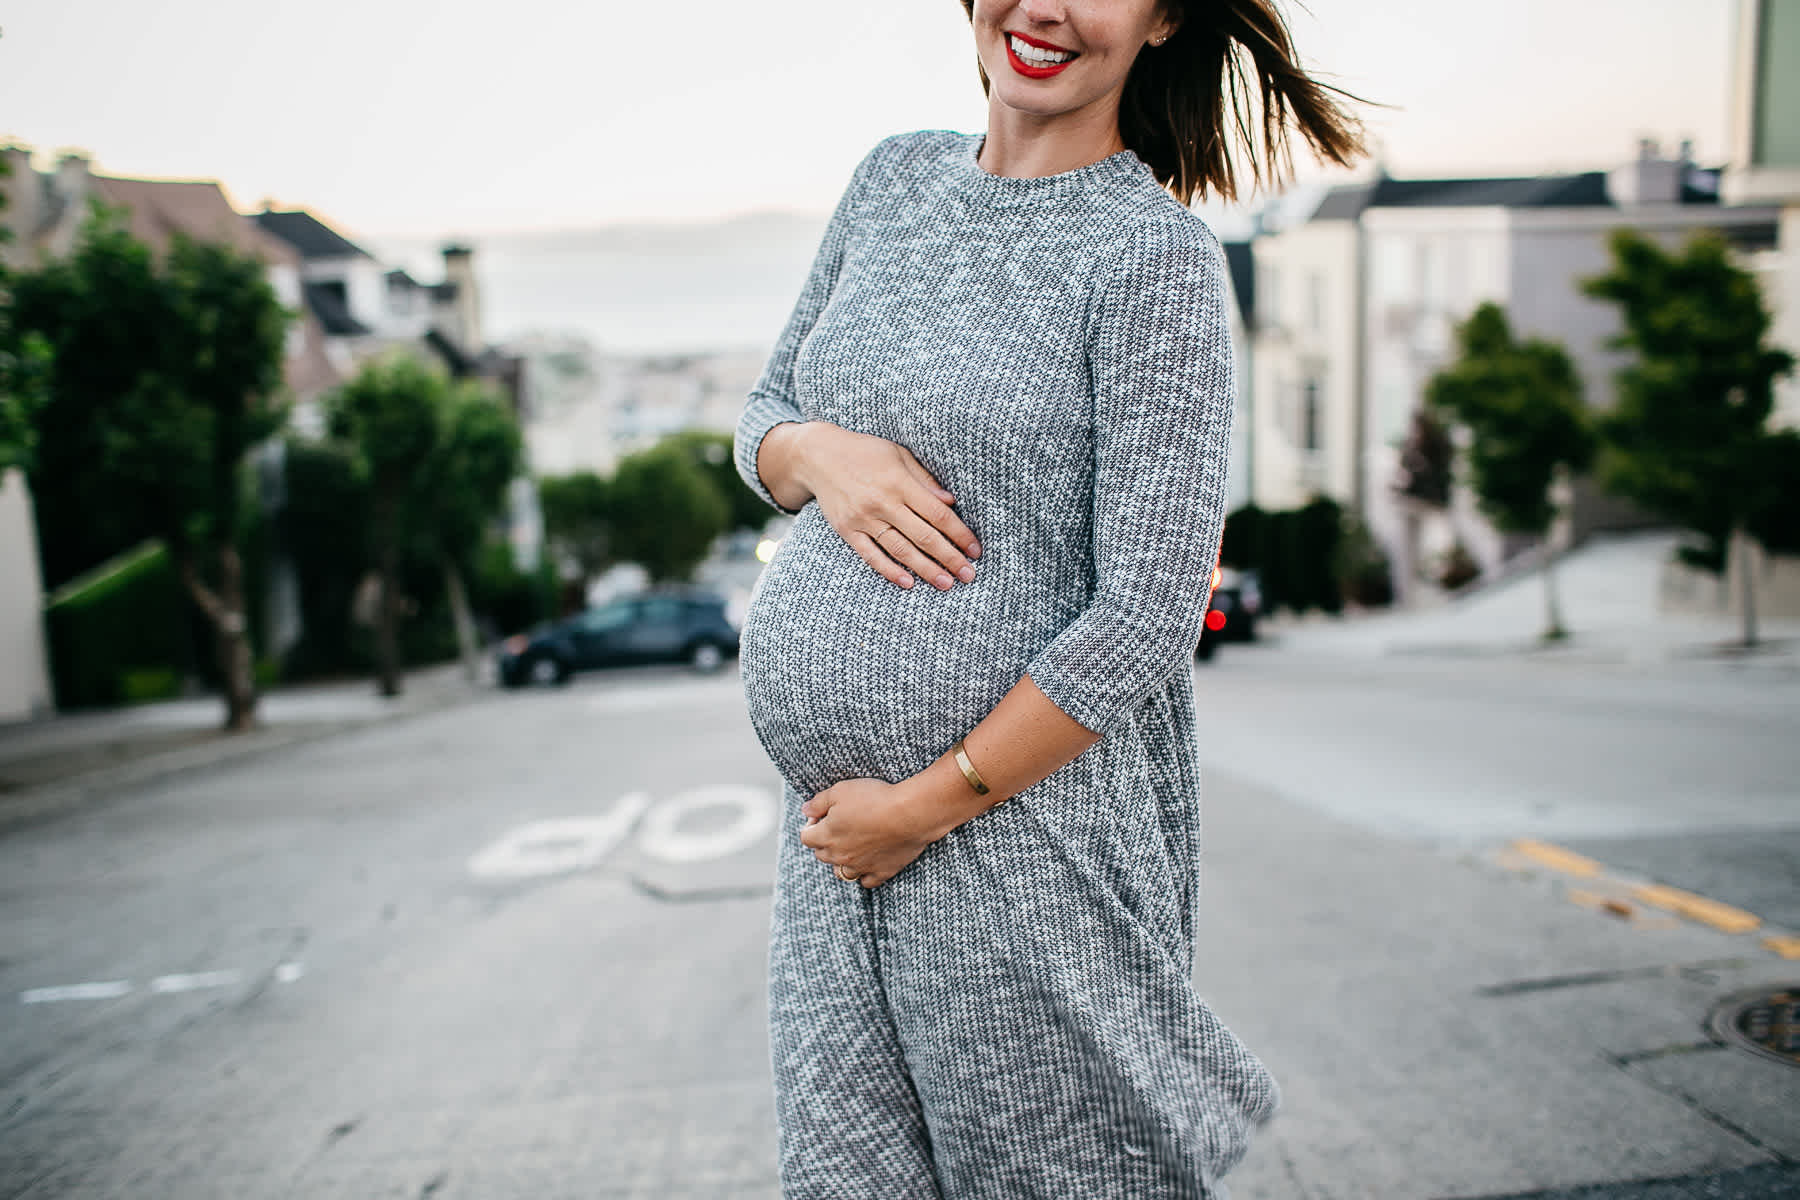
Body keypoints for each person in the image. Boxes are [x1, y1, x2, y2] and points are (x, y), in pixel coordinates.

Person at [732, 1, 1364, 1194]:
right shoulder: (892, 181)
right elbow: (761, 416)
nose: (1048, 8)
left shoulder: (1150, 259)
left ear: (1166, 16)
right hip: (834, 854)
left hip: (1019, 853)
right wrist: (820, 454)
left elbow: (1146, 617)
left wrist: (918, 809)